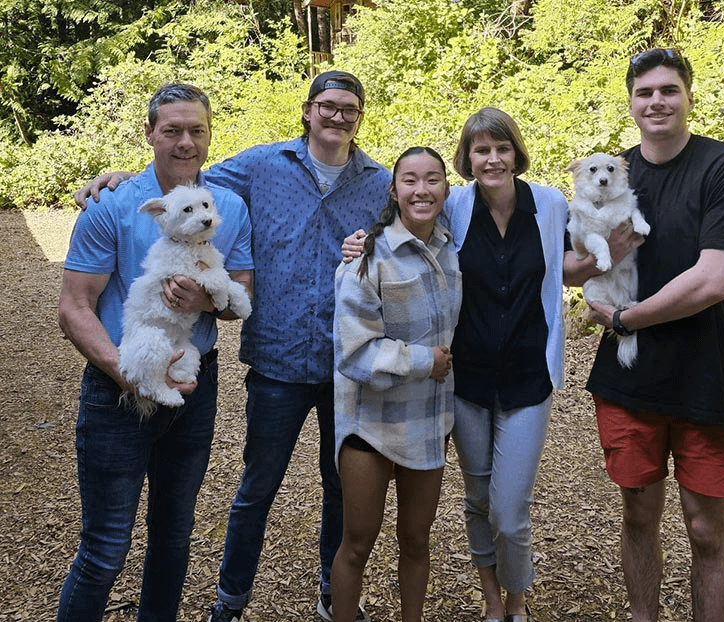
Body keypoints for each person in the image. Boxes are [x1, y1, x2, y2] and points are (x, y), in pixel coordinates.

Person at [75, 70, 389, 622]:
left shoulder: (378, 182)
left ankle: (333, 595)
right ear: (307, 111)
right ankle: (230, 600)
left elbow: (421, 214)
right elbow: (181, 184)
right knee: (252, 490)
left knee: (339, 488)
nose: (337, 116)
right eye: (327, 106)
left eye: (349, 108)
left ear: (359, 116)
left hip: (348, 361)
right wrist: (122, 179)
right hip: (276, 360)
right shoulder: (261, 165)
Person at [344, 108, 574, 622]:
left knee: (510, 512)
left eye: (502, 147)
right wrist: (361, 243)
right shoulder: (457, 204)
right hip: (465, 378)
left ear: (517, 152)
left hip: (529, 375)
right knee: (476, 496)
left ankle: (517, 596)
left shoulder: (551, 204)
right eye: (481, 150)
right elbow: (408, 219)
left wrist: (621, 254)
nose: (493, 158)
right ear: (467, 159)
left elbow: (576, 257)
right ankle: (493, 600)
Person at [566, 48, 724, 622]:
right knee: (637, 517)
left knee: (706, 529)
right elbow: (571, 262)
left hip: (708, 375)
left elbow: (713, 281)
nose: (657, 101)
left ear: (689, 97)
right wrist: (588, 271)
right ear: (631, 103)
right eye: (645, 92)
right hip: (632, 382)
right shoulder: (613, 173)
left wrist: (626, 319)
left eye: (668, 90)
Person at [57, 83, 254, 622]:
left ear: (210, 135)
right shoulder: (113, 204)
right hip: (116, 382)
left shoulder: (228, 207)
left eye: (197, 130)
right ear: (150, 134)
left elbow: (242, 296)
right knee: (105, 547)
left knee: (173, 538)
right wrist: (129, 374)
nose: (185, 141)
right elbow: (75, 307)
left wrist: (210, 303)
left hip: (196, 383)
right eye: (172, 130)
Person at [331, 146, 461, 622]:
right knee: (358, 543)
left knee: (416, 540)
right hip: (370, 422)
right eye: (410, 180)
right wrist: (422, 360)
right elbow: (354, 351)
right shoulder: (367, 257)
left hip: (428, 418)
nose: (421, 190)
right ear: (394, 189)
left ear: (447, 189)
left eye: (433, 179)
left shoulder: (451, 249)